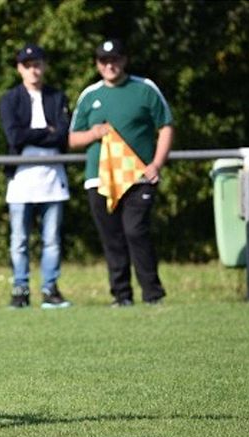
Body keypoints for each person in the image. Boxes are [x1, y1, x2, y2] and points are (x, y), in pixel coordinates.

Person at [69, 39, 173, 306]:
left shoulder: (145, 88)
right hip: (100, 179)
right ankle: (121, 296)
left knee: (136, 231)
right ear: (97, 64)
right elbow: (72, 138)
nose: (109, 65)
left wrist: (156, 164)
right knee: (112, 238)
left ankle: (153, 294)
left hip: (139, 177)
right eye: (104, 61)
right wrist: (94, 133)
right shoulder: (89, 95)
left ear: (124, 60)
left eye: (114, 59)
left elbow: (166, 126)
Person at [0, 44, 72, 309]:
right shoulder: (9, 99)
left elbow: (63, 134)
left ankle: (50, 288)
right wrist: (46, 131)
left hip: (53, 178)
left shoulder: (57, 97)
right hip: (21, 180)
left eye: (37, 64)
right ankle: (20, 289)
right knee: (19, 240)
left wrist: (38, 133)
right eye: (28, 65)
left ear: (44, 66)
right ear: (20, 69)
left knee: (51, 239)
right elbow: (14, 136)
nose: (33, 70)